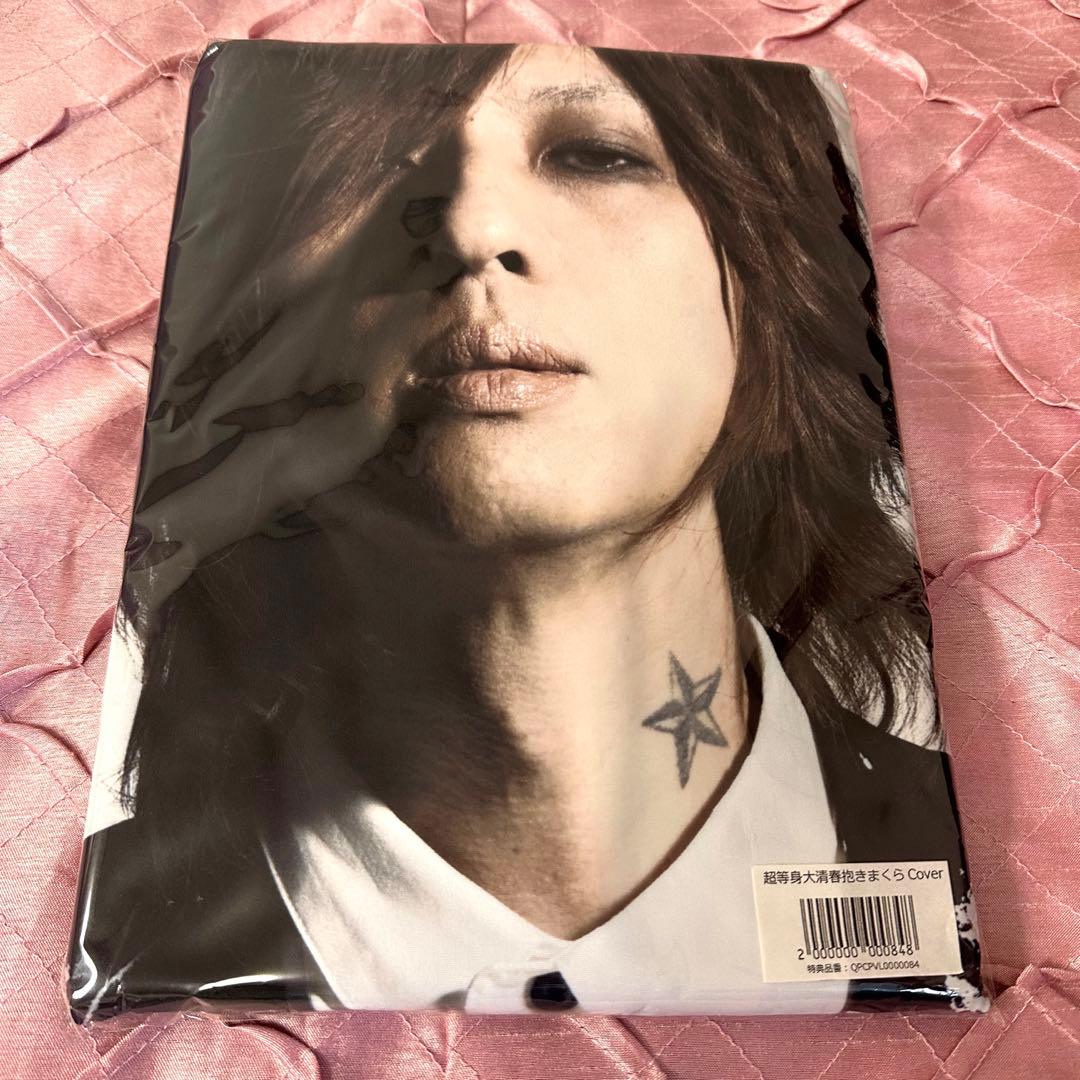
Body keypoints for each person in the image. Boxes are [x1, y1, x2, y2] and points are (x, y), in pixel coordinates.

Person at [68, 41, 981, 1020]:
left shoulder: (952, 884)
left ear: (770, 303)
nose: (474, 226)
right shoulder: (130, 937)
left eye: (596, 155)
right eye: (371, 165)